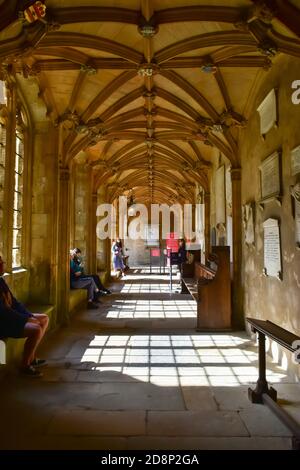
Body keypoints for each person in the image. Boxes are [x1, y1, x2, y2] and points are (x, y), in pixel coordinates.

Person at [0, 256, 48, 377]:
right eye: (0, 262)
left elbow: (15, 303)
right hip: (3, 323)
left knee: (44, 319)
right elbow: (3, 311)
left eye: (2, 262)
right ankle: (25, 365)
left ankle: (31, 358)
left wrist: (29, 316)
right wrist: (25, 319)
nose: (3, 264)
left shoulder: (1, 281)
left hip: (11, 318)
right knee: (36, 329)